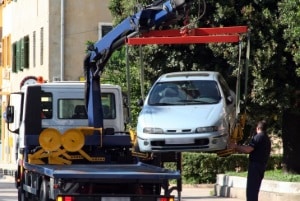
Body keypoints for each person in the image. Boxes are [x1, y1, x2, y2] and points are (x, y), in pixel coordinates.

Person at [230, 120, 271, 201]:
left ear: (258, 128)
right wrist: (239, 148)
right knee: (254, 190)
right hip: (261, 166)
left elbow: (248, 149)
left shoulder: (258, 137)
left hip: (255, 166)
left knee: (251, 191)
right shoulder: (267, 138)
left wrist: (235, 146)